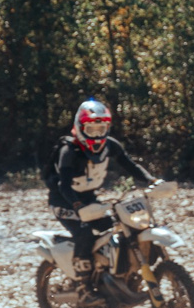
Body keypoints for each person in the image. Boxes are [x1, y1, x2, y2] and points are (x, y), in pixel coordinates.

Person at [46, 97, 155, 287]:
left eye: (101, 130)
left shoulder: (111, 145)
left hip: (89, 199)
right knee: (85, 233)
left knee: (115, 226)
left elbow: (130, 165)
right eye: (91, 130)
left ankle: (108, 269)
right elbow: (63, 185)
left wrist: (151, 180)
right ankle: (83, 281)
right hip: (64, 201)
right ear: (80, 128)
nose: (96, 136)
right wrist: (77, 206)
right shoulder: (68, 151)